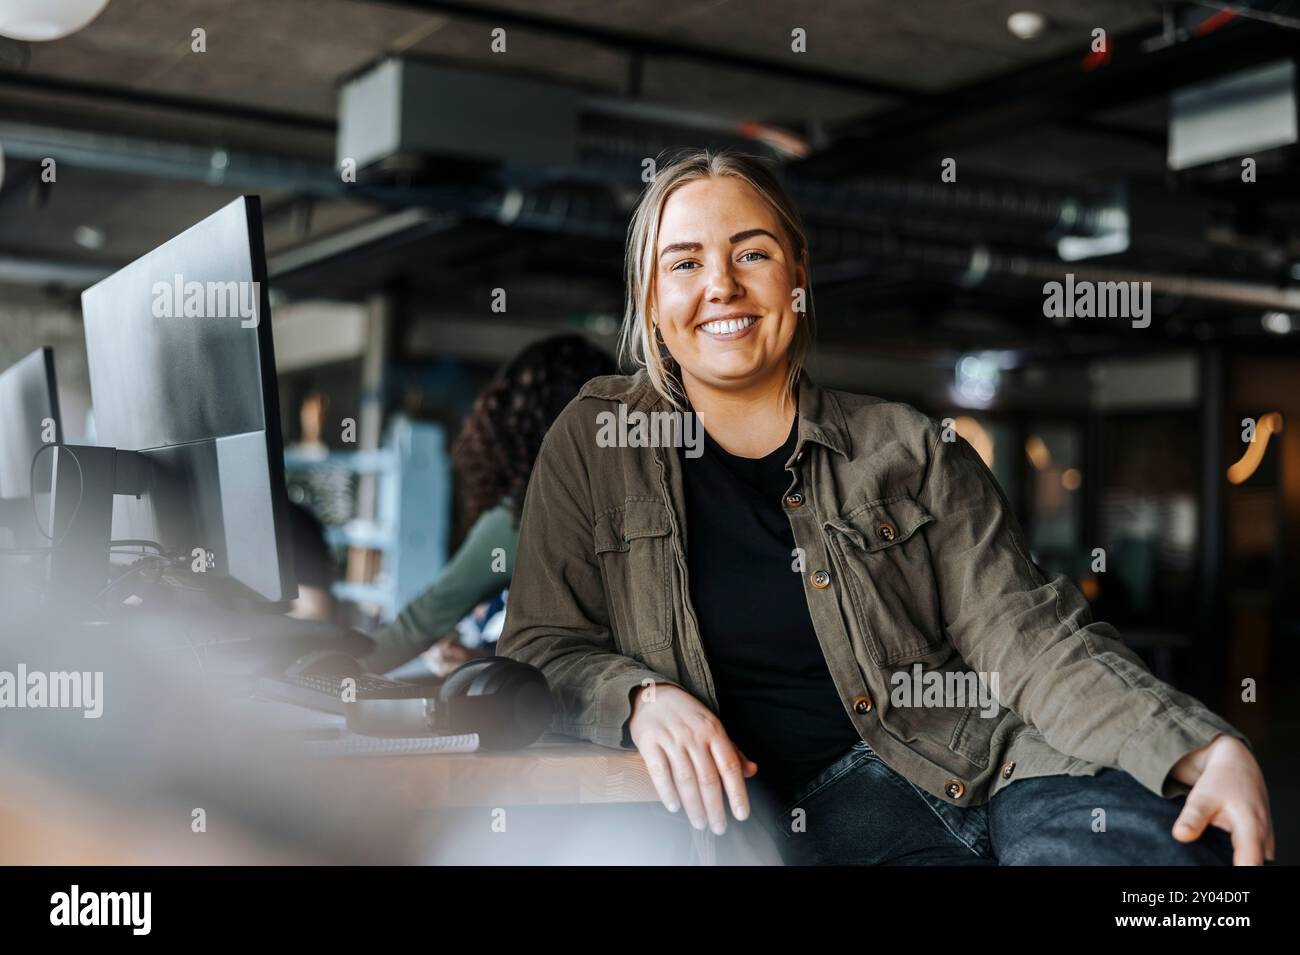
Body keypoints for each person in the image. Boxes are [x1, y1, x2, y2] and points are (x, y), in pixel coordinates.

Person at [497, 148, 1276, 865]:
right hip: (772, 814)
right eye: (686, 262)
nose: (722, 285)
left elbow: (1032, 637)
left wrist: (1192, 743)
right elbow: (540, 646)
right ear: (652, 299)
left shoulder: (907, 445)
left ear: (797, 276)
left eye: (753, 253)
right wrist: (640, 698)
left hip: (993, 769)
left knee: (1171, 856)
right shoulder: (599, 440)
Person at [362, 335, 616, 675]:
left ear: (513, 420)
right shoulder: (625, 494)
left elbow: (421, 623)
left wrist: (334, 674)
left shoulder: (525, 515)